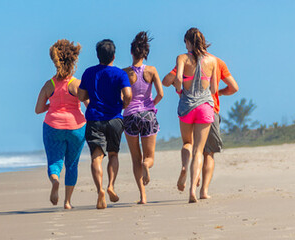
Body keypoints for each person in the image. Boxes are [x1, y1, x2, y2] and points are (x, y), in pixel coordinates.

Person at [164, 49, 238, 200]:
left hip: (189, 108)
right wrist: (219, 93)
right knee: (208, 153)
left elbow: (168, 80)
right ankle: (203, 191)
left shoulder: (186, 60)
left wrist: (178, 86)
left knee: (190, 144)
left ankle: (188, 171)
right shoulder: (216, 61)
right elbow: (234, 87)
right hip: (211, 109)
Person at [163, 27, 218, 203]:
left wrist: (179, 89)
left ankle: (184, 167)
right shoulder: (212, 60)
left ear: (188, 42)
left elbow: (177, 79)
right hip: (205, 107)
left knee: (187, 143)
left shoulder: (182, 58)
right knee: (199, 150)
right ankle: (193, 190)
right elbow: (215, 89)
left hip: (187, 106)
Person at [78, 39, 133, 209]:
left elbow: (81, 96)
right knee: (113, 154)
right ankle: (111, 186)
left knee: (96, 157)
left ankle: (100, 190)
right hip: (115, 119)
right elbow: (128, 94)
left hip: (94, 118)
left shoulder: (88, 72)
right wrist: (123, 104)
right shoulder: (120, 74)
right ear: (114, 56)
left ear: (97, 55)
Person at [34, 39, 87, 209]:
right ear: (73, 60)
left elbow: (38, 109)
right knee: (72, 164)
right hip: (76, 127)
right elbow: (89, 105)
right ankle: (68, 202)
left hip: (53, 126)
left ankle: (55, 181)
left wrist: (54, 105)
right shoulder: (77, 84)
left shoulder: (49, 85)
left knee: (54, 162)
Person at [120, 31, 164, 204]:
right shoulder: (152, 71)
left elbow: (122, 97)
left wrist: (125, 107)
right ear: (145, 54)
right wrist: (151, 105)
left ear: (131, 52)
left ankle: (143, 196)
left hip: (130, 116)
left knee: (135, 158)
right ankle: (147, 166)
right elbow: (161, 93)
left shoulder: (124, 73)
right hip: (148, 115)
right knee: (149, 157)